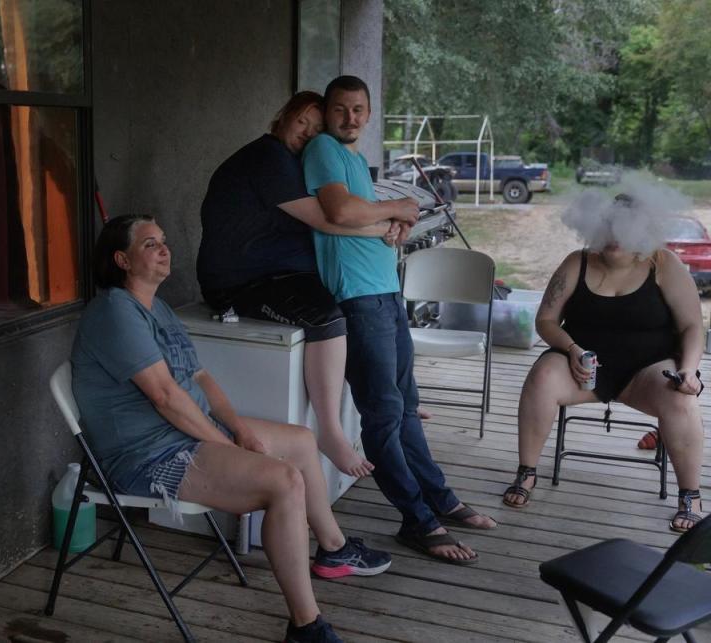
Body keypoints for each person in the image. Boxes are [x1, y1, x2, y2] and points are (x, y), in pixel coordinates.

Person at [73, 215, 393, 643]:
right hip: (145, 455)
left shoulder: (156, 307)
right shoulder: (114, 310)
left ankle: (333, 549)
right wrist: (227, 444)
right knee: (283, 482)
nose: (165, 249)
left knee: (300, 441)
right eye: (150, 244)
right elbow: (165, 397)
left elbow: (201, 378)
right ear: (122, 259)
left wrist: (239, 430)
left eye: (164, 241)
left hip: (181, 433)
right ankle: (306, 625)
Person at [302, 75, 497, 565]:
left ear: (369, 114)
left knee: (407, 405)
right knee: (384, 415)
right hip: (358, 297)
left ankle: (439, 497)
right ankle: (416, 519)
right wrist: (402, 207)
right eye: (342, 109)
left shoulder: (353, 161)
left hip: (386, 292)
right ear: (328, 113)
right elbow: (341, 211)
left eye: (359, 110)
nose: (350, 118)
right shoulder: (324, 149)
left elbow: (359, 215)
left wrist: (390, 220)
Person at [198, 91, 405, 478]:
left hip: (276, 275)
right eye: (301, 124)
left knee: (352, 307)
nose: (305, 135)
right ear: (283, 117)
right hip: (239, 282)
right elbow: (329, 219)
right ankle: (328, 430)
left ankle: (381, 397)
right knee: (324, 316)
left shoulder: (293, 167)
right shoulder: (268, 157)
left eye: (314, 133)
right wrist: (385, 227)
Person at [502, 192, 705, 532]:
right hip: (584, 367)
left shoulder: (664, 264)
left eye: (624, 229)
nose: (613, 237)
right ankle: (527, 472)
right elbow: (546, 320)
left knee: (680, 398)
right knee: (541, 376)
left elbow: (692, 326)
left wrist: (688, 369)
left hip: (647, 372)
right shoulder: (577, 262)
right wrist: (571, 349)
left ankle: (691, 496)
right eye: (607, 226)